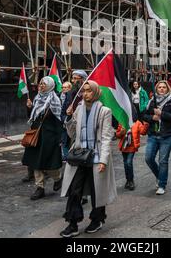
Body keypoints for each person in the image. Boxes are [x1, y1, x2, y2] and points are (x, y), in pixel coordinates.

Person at [60, 80, 117, 238]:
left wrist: (103, 160)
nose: (85, 94)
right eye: (84, 91)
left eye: (89, 90)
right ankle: (72, 224)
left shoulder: (104, 111)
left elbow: (106, 137)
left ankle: (97, 220)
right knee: (74, 191)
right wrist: (69, 117)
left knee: (96, 191)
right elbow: (72, 134)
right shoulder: (78, 109)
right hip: (78, 156)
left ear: (96, 92)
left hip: (96, 156)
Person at [22, 76, 63, 200]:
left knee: (48, 162)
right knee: (36, 162)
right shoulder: (37, 98)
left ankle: (57, 178)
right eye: (40, 83)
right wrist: (29, 107)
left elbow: (58, 121)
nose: (41, 85)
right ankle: (40, 188)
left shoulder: (54, 100)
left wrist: (59, 139)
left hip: (49, 136)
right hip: (36, 135)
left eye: (44, 84)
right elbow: (33, 117)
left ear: (50, 85)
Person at [143, 81, 171, 195]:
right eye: (159, 87)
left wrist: (161, 113)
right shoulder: (151, 102)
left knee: (163, 161)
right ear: (156, 89)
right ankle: (160, 176)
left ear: (167, 89)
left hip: (167, 135)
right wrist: (151, 117)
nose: (162, 89)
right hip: (153, 134)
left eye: (164, 87)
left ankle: (162, 184)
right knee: (148, 158)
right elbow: (143, 115)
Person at [116, 118, 149, 190]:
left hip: (132, 147)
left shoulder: (137, 123)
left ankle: (131, 181)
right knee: (125, 163)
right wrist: (121, 132)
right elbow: (117, 134)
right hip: (124, 146)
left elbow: (143, 132)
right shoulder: (122, 121)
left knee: (128, 162)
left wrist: (146, 124)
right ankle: (128, 180)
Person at [60, 81, 72, 161]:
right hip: (60, 121)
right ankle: (65, 155)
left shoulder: (71, 97)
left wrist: (66, 119)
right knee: (63, 139)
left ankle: (68, 155)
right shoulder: (58, 96)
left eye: (65, 87)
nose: (63, 89)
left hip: (68, 120)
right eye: (62, 87)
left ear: (69, 88)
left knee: (68, 139)